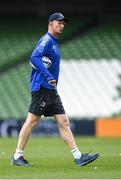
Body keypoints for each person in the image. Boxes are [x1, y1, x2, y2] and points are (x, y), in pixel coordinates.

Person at [10, 12, 99, 167]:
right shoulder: (46, 40)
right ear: (50, 24)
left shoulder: (53, 42)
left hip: (50, 89)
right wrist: (48, 75)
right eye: (59, 23)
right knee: (32, 121)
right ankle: (17, 156)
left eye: (63, 23)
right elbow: (34, 58)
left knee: (63, 121)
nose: (62, 25)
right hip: (42, 88)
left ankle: (78, 157)